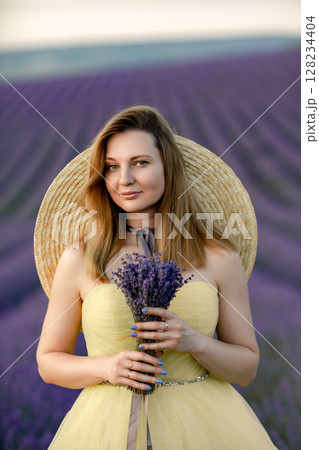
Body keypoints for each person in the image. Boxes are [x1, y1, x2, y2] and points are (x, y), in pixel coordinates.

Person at [34, 105, 277, 449]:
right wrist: (107, 367)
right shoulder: (80, 257)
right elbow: (48, 361)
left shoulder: (218, 256)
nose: (124, 180)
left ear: (168, 167)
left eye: (141, 163)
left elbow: (246, 367)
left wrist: (195, 342)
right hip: (105, 428)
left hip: (204, 426)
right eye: (112, 167)